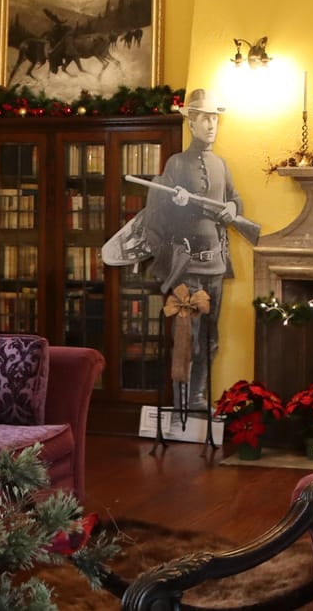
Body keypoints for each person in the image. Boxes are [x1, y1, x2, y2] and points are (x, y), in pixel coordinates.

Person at [101, 89, 258, 409]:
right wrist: (178, 202)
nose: (211, 125)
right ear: (192, 124)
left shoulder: (221, 164)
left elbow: (235, 199)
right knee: (188, 336)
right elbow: (157, 212)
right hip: (187, 266)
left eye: (214, 119)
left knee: (210, 338)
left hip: (215, 265)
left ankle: (198, 396)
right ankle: (183, 399)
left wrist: (231, 207)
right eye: (204, 119)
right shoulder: (176, 163)